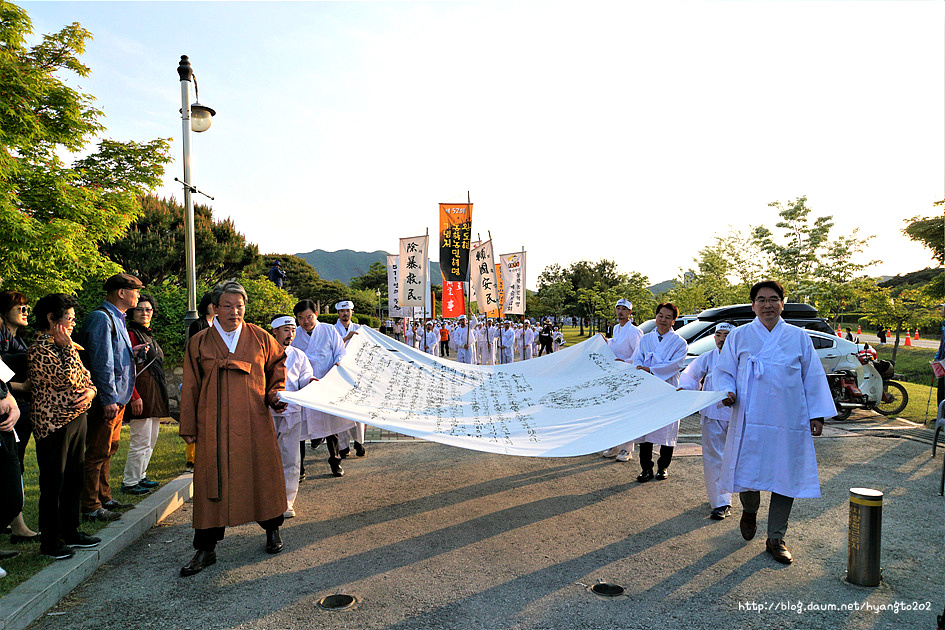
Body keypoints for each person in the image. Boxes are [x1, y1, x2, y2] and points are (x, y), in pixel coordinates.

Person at [714, 280, 835, 564]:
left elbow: (813, 377)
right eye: (761, 299)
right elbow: (724, 371)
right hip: (749, 418)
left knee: (786, 476)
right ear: (753, 304)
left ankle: (776, 537)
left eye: (773, 299)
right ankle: (750, 509)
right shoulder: (740, 336)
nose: (767, 304)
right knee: (748, 471)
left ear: (783, 302)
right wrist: (727, 392)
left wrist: (815, 414)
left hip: (787, 420)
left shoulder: (798, 337)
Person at [179, 282, 288, 577]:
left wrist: (275, 393)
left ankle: (272, 530)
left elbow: (277, 366)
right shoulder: (200, 341)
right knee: (210, 480)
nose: (234, 312)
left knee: (262, 473)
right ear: (215, 308)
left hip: (254, 419)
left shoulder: (261, 337)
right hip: (212, 422)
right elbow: (190, 385)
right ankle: (206, 548)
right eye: (227, 306)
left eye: (239, 306)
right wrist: (188, 425)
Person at [28, 294, 100, 559]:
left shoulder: (64, 346)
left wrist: (91, 392)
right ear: (51, 319)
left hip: (76, 418)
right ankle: (49, 541)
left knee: (73, 478)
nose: (72, 323)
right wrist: (68, 349)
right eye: (68, 318)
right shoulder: (40, 349)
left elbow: (86, 376)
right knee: (53, 482)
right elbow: (68, 379)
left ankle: (71, 531)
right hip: (52, 424)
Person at [81, 273, 146, 522]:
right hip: (107, 399)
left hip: (117, 398)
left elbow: (114, 356)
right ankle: (91, 505)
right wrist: (108, 398)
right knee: (97, 452)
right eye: (135, 290)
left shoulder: (117, 318)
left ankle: (105, 498)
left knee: (109, 449)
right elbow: (101, 363)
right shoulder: (101, 318)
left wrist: (134, 352)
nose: (138, 295)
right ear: (121, 292)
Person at [290, 299, 354, 477]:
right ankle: (300, 469)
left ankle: (335, 462)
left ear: (316, 315)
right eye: (301, 318)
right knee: (300, 428)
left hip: (326, 382)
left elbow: (340, 351)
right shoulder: (295, 335)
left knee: (330, 425)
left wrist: (338, 364)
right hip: (304, 386)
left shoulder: (328, 329)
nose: (306, 321)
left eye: (309, 316)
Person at [678, 322, 735, 520]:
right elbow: (691, 375)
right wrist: (685, 389)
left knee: (736, 458)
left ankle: (737, 494)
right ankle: (721, 502)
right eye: (718, 335)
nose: (722, 339)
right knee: (714, 458)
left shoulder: (743, 358)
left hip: (738, 414)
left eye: (727, 335)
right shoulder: (708, 357)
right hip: (712, 414)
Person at [630, 302, 688, 482]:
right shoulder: (646, 339)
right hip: (647, 389)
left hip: (668, 389)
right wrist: (640, 368)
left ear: (674, 321)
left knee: (667, 429)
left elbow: (675, 365)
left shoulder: (680, 343)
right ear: (656, 316)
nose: (663, 320)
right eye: (660, 316)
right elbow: (637, 358)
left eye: (668, 317)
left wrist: (652, 369)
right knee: (645, 429)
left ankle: (663, 466)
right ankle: (646, 468)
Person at [0, 291, 39, 542]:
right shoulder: (6, 340)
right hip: (9, 409)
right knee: (11, 467)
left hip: (18, 407)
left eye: (26, 308)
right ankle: (17, 525)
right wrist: (18, 390)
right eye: (20, 308)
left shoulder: (17, 339)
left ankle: (16, 524)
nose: (25, 312)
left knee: (16, 465)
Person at [122, 295, 168, 495]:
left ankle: (141, 475)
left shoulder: (147, 334)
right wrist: (134, 396)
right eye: (140, 309)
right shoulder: (130, 333)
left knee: (151, 438)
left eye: (148, 309)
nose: (144, 313)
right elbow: (126, 368)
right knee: (140, 439)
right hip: (140, 391)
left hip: (154, 391)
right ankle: (130, 481)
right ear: (133, 312)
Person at [269, 315, 314, 518]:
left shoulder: (299, 355)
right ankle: (266, 499)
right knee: (268, 457)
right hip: (268, 412)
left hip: (292, 411)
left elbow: (304, 377)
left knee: (291, 458)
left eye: (293, 330)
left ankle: (287, 501)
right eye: (286, 330)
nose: (291, 334)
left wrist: (310, 381)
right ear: (274, 332)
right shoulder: (264, 354)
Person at [600, 299, 644, 463]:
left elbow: (639, 354)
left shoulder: (634, 331)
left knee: (627, 411)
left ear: (630, 313)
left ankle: (627, 448)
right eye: (618, 308)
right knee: (614, 410)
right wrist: (605, 341)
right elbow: (615, 344)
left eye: (624, 309)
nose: (620, 312)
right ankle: (614, 445)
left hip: (629, 374)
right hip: (615, 375)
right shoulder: (616, 328)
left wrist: (626, 363)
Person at [185, 292, 215, 472]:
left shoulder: (219, 325)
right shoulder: (198, 324)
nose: (214, 307)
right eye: (212, 304)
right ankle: (191, 459)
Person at [333, 300, 366, 457]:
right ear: (338, 313)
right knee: (341, 411)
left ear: (352, 312)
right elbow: (331, 349)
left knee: (358, 410)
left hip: (356, 375)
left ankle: (359, 442)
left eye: (348, 311)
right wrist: (346, 338)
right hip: (339, 374)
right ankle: (344, 446)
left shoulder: (359, 329)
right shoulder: (332, 330)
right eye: (342, 311)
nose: (345, 314)